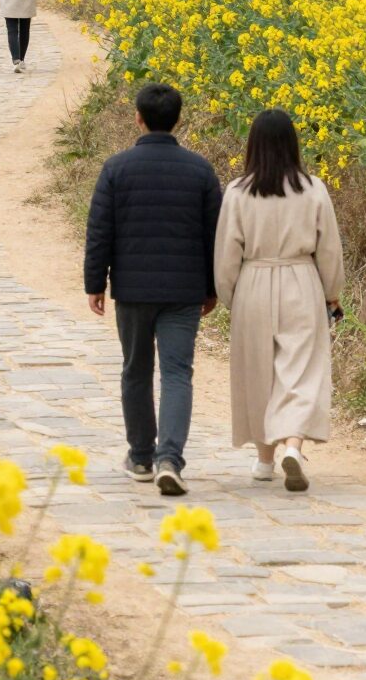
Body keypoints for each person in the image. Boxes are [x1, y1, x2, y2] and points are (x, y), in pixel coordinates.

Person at [84, 83, 222, 496]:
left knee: (136, 370)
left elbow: (99, 232)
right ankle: (170, 459)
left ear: (138, 118)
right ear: (178, 119)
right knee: (178, 372)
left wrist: (96, 283)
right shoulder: (200, 171)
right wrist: (212, 288)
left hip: (133, 289)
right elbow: (214, 235)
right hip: (183, 290)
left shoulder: (116, 168)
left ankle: (142, 456)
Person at [214, 108, 345, 494]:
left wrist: (230, 297)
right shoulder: (314, 189)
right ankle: (292, 445)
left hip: (253, 281)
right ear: (293, 144)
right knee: (301, 369)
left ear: (252, 145)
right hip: (301, 279)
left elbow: (226, 254)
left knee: (257, 372)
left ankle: (264, 460)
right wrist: (332, 293)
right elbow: (329, 250)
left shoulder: (237, 192)